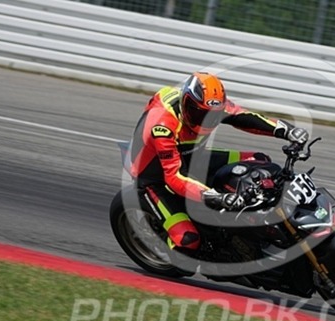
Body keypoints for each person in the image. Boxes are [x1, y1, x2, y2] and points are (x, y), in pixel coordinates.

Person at [130, 71, 309, 252]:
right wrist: (213, 196)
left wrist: (287, 131)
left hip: (193, 157)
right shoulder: (163, 127)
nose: (205, 121)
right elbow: (174, 176)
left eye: (211, 116)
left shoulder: (213, 106)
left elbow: (245, 117)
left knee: (260, 160)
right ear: (185, 103)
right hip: (155, 175)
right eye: (199, 114)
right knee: (187, 241)